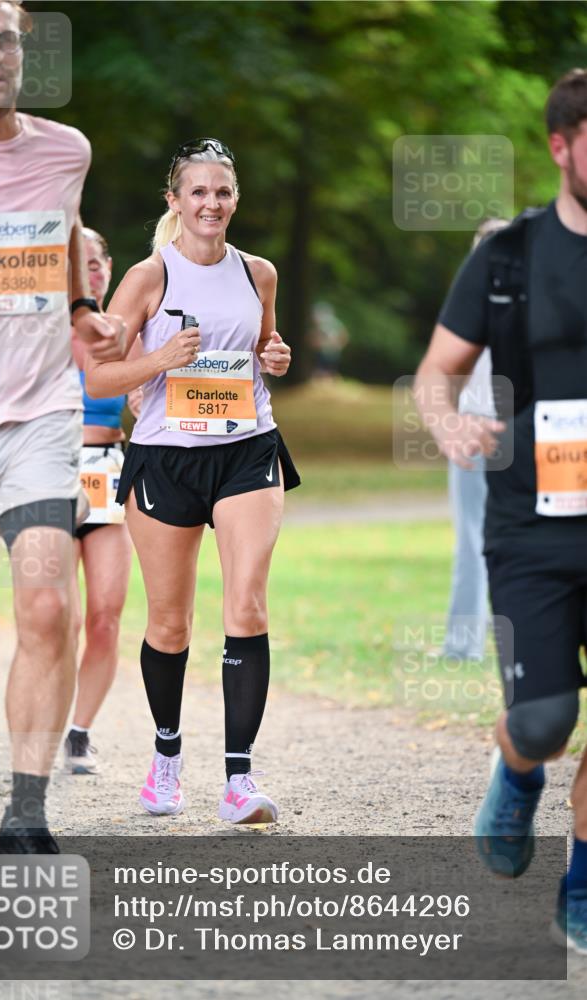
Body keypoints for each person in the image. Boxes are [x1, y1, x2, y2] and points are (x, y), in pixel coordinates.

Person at [0, 0, 126, 883]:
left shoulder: (65, 149)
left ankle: (29, 819)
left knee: (47, 604)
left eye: (7, 38)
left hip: (41, 411)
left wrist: (83, 309)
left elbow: (67, 231)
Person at [414, 70, 587, 953]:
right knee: (544, 720)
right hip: (532, 521)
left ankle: (583, 878)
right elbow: (437, 370)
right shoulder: (510, 254)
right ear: (560, 146)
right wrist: (447, 426)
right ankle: (516, 773)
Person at [85, 137, 300, 824]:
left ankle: (239, 780)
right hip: (165, 460)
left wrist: (276, 354)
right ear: (175, 201)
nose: (212, 203)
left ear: (234, 200)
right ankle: (167, 758)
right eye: (198, 192)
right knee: (170, 622)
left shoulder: (258, 272)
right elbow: (98, 376)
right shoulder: (150, 277)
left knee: (248, 607)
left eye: (223, 192)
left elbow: (266, 351)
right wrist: (160, 361)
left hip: (246, 449)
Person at [65, 226, 142, 775]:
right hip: (50, 473)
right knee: (58, 618)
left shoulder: (123, 333)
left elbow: (148, 394)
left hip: (109, 473)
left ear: (111, 269)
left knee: (106, 614)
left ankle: (79, 733)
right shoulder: (47, 331)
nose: (91, 270)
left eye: (98, 262)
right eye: (81, 262)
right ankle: (39, 721)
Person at [442, 219, 509, 662]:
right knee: (482, 540)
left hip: (496, 429)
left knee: (476, 539)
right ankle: (468, 646)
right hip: (481, 428)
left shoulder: (467, 309)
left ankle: (466, 647)